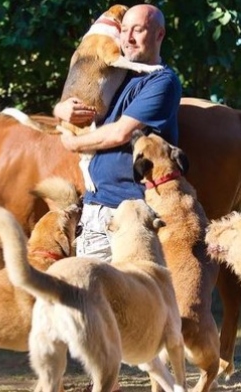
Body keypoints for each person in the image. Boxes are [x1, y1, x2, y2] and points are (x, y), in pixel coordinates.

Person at [54, 4, 181, 262]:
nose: (128, 38)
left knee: (134, 299)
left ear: (159, 35)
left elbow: (121, 133)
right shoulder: (117, 73)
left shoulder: (161, 81)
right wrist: (60, 110)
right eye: (124, 30)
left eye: (138, 30)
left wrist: (73, 143)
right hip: (95, 209)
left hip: (132, 212)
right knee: (90, 298)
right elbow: (80, 92)